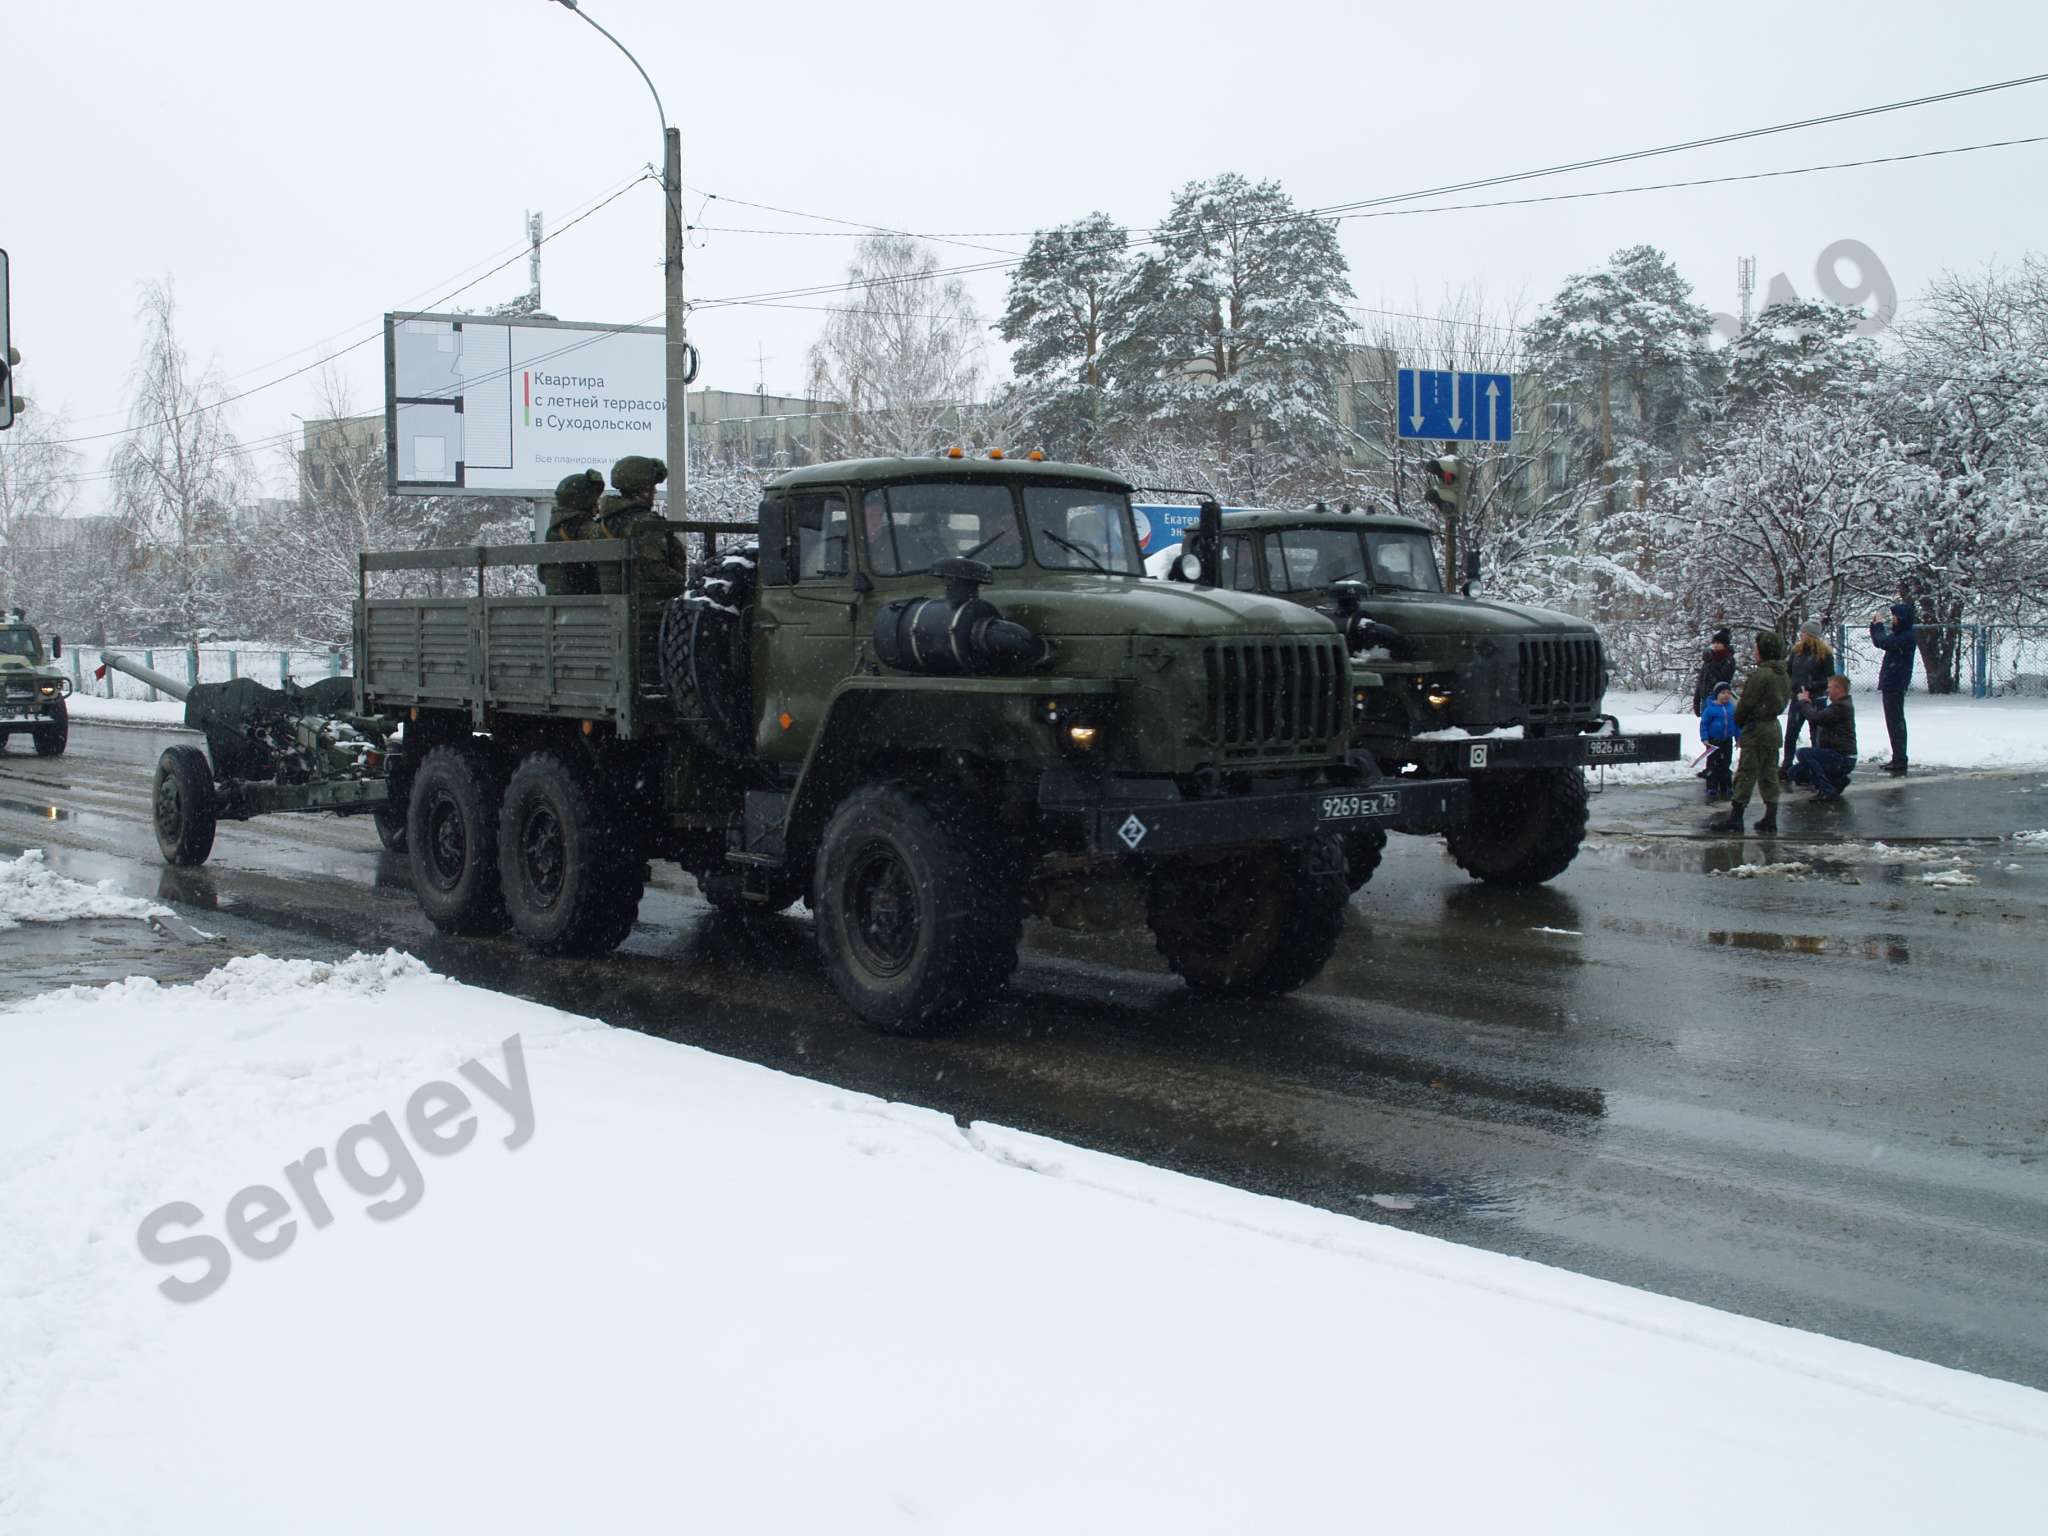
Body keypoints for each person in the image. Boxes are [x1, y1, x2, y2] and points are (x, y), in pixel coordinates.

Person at [1709, 630, 1791, 835]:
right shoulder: (1783, 674)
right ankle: (1770, 817)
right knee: (1769, 773)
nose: (1754, 652)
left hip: (1757, 730)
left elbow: (1747, 703)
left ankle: (1736, 817)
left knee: (1746, 773)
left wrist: (1740, 720)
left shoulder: (1762, 675)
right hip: (1773, 729)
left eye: (1757, 648)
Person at [589, 455, 677, 596]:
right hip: (647, 606)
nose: (654, 491)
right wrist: (686, 584)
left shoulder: (602, 523)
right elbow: (654, 570)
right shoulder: (646, 524)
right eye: (651, 487)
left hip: (610, 605)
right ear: (639, 490)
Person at [1788, 674, 1858, 800]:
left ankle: (1826, 789)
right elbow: (1819, 716)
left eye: (1830, 687)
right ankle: (1837, 780)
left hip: (1842, 757)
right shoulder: (1838, 705)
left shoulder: (1841, 707)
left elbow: (1817, 718)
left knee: (1803, 753)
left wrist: (1803, 702)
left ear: (1839, 689)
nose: (1827, 690)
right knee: (1794, 772)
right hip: (1834, 755)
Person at [1868, 600, 1916, 774]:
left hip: (1895, 683)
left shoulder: (1906, 636)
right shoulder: (1902, 634)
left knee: (1895, 721)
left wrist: (1877, 626)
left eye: (1895, 617)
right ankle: (1898, 757)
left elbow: (1883, 642)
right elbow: (1882, 641)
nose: (1893, 620)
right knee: (1894, 721)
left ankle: (1900, 758)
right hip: (1893, 682)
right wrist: (1876, 627)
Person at [541, 469, 605, 596]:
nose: (597, 507)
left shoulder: (557, 528)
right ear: (584, 501)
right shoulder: (581, 529)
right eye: (594, 500)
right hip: (586, 606)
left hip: (564, 606)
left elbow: (542, 576)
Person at [1781, 621, 1834, 771]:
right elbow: (1788, 671)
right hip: (1798, 698)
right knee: (1791, 732)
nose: (1801, 635)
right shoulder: (1796, 652)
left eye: (1804, 633)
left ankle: (1816, 765)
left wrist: (1811, 686)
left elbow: (1829, 678)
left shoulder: (1824, 654)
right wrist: (1792, 686)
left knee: (1816, 734)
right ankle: (1787, 764)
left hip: (1816, 699)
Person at [1699, 682, 1736, 802]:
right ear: (1717, 694)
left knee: (1726, 762)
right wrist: (1705, 738)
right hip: (1713, 741)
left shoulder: (1731, 708)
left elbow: (1736, 724)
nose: (1726, 695)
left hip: (1727, 740)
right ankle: (1712, 785)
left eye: (1728, 693)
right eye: (1723, 693)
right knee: (1713, 763)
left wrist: (1738, 737)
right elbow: (1704, 724)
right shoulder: (1711, 709)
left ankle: (1726, 784)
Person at [1691, 627, 1736, 716]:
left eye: (1718, 643)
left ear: (1725, 644)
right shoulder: (1709, 659)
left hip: (1719, 700)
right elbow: (1701, 680)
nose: (1715, 645)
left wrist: (1711, 662)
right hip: (1705, 699)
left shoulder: (1729, 659)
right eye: (1714, 643)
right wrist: (1696, 700)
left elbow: (1723, 679)